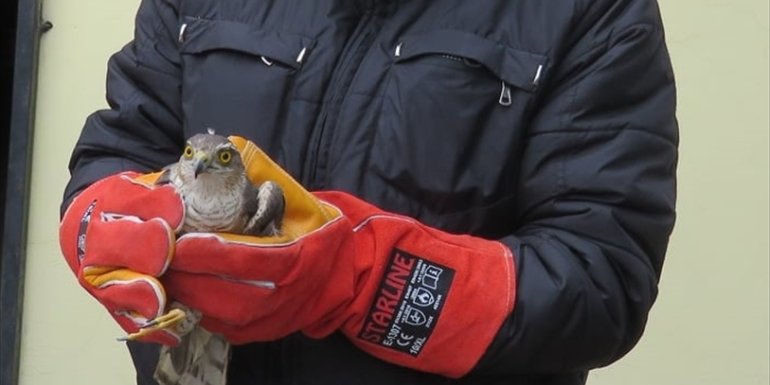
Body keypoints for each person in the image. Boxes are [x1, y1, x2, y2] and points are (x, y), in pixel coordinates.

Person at [59, 0, 678, 384]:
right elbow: (126, 143)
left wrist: (363, 279)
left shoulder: (594, 12)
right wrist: (97, 214)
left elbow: (600, 281)